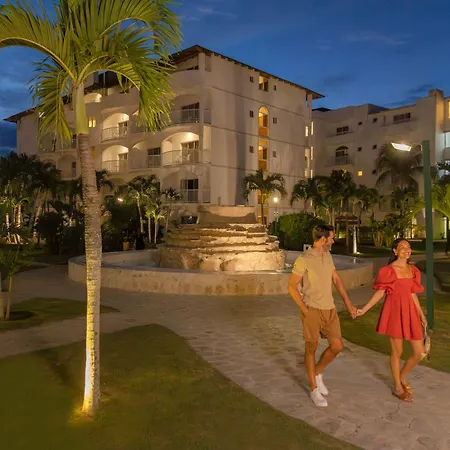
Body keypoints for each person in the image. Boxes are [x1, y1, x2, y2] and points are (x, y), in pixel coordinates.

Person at [288, 224, 357, 407]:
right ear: (323, 239)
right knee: (311, 348)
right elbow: (292, 287)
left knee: (337, 346)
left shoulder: (327, 255)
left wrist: (349, 304)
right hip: (312, 309)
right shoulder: (304, 259)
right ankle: (313, 389)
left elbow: (337, 280)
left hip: (330, 309)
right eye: (331, 238)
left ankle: (317, 372)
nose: (333, 241)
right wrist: (305, 310)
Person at [356, 238, 427, 402]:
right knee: (397, 352)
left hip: (410, 313)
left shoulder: (413, 270)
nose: (406, 250)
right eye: (402, 247)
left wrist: (421, 315)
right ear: (395, 251)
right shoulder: (387, 271)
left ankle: (402, 376)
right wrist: (364, 310)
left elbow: (412, 294)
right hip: (395, 313)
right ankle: (397, 387)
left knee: (419, 352)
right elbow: (380, 293)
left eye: (408, 247)